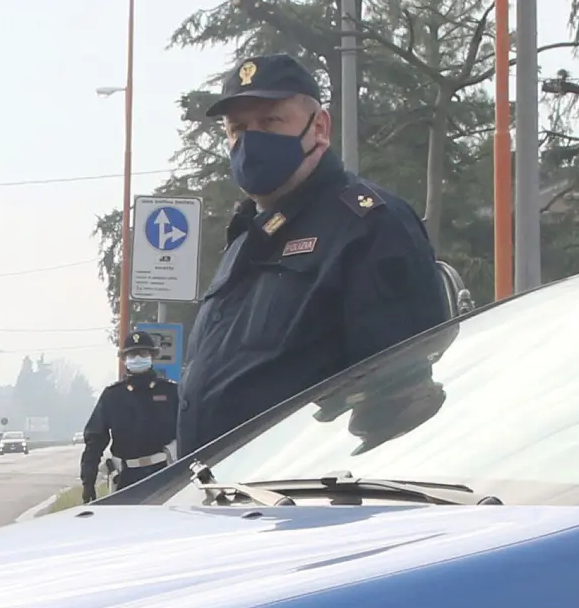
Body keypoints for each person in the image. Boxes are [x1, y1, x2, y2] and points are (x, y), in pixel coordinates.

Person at [177, 54, 454, 455]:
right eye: (238, 128)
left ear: (319, 126)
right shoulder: (248, 237)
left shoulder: (368, 225)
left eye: (271, 121)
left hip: (308, 500)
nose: (250, 142)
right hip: (224, 497)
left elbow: (399, 404)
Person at [80, 329, 181, 499]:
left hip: (165, 472)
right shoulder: (113, 395)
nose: (137, 358)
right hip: (125, 478)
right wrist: (88, 481)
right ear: (124, 359)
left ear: (152, 356)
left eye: (142, 353)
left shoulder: (171, 392)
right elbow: (95, 440)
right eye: (132, 354)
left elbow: (187, 429)